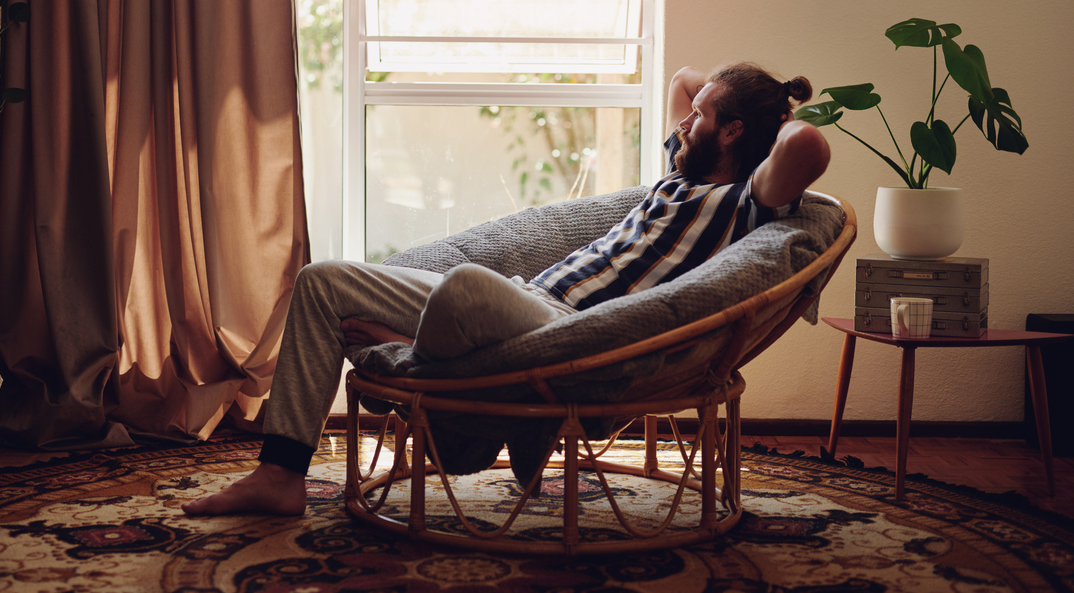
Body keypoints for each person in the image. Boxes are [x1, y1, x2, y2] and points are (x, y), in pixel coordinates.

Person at [182, 62, 831, 517]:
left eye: (701, 116)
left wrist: (775, 108)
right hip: (521, 303)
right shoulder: (677, 176)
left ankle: (411, 354)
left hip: (567, 331)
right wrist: (722, 98)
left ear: (736, 133)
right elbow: (684, 79)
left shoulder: (745, 203)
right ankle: (280, 473)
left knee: (463, 289)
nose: (685, 118)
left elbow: (808, 146)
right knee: (321, 281)